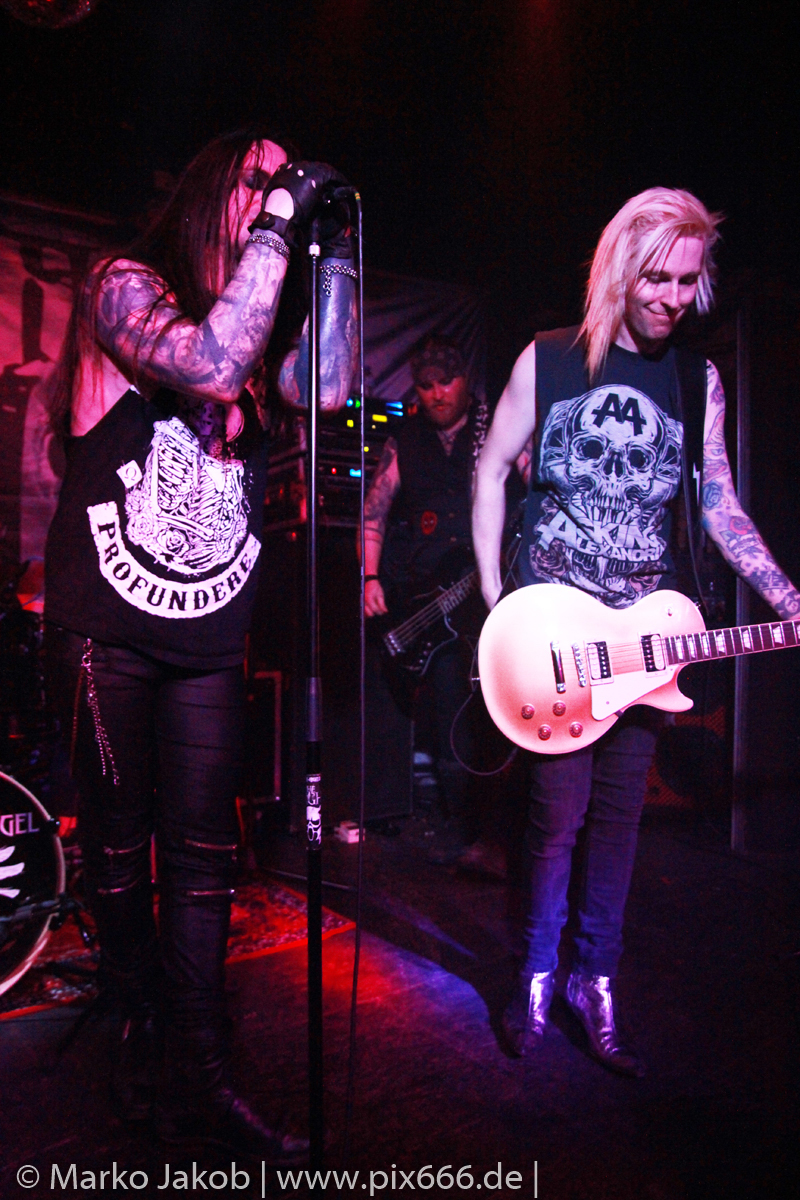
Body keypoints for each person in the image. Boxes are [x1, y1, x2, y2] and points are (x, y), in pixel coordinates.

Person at [44, 129, 358, 1154]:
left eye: (283, 181)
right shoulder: (124, 285)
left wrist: (333, 254)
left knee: (205, 857)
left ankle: (203, 1069)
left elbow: (329, 390)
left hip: (207, 634)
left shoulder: (264, 320)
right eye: (258, 179)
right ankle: (138, 1029)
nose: (275, 194)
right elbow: (212, 365)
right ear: (215, 188)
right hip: (108, 632)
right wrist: (280, 215)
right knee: (118, 847)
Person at [472, 187, 800, 1074]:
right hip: (552, 636)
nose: (672, 298)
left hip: (645, 644)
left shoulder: (696, 381)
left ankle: (595, 977)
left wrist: (784, 593)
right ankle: (535, 973)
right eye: (657, 278)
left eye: (688, 281)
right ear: (620, 269)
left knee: (619, 823)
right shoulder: (549, 360)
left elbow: (719, 503)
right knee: (555, 822)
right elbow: (492, 470)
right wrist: (500, 598)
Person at [362, 338, 497, 866]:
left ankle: (491, 828)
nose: (438, 394)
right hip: (428, 598)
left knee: (490, 707)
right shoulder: (406, 439)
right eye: (426, 386)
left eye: (447, 382)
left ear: (466, 380)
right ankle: (456, 828)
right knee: (446, 708)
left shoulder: (494, 426)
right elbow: (374, 513)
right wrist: (370, 576)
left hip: (486, 590)